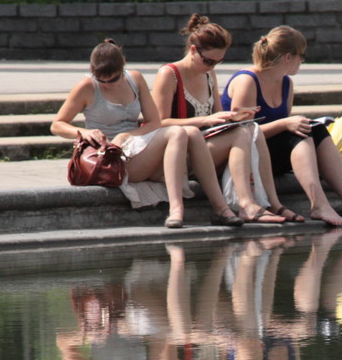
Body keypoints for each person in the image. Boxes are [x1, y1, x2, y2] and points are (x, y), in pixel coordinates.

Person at [51, 38, 244, 229]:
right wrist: (82, 132)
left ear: (123, 66)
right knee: (176, 133)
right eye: (102, 80)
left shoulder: (135, 79)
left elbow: (154, 122)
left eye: (114, 79)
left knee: (192, 133)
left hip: (136, 145)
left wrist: (129, 135)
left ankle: (221, 209)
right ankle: (176, 210)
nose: (108, 84)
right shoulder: (86, 86)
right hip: (109, 158)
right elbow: (57, 124)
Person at [222, 25, 342, 227]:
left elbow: (282, 131)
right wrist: (284, 123)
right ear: (288, 57)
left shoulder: (286, 83)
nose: (303, 61)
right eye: (302, 55)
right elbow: (240, 133)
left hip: (271, 154)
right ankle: (318, 204)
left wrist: (287, 124)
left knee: (314, 129)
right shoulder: (248, 81)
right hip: (244, 157)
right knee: (298, 132)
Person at [151, 14, 302, 224]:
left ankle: (263, 203)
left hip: (205, 145)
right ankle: (247, 203)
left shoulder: (208, 74)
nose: (211, 66)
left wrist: (233, 117)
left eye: (218, 62)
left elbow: (217, 117)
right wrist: (206, 120)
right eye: (208, 61)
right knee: (243, 132)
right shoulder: (169, 73)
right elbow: (158, 123)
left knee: (248, 128)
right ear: (193, 50)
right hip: (178, 153)